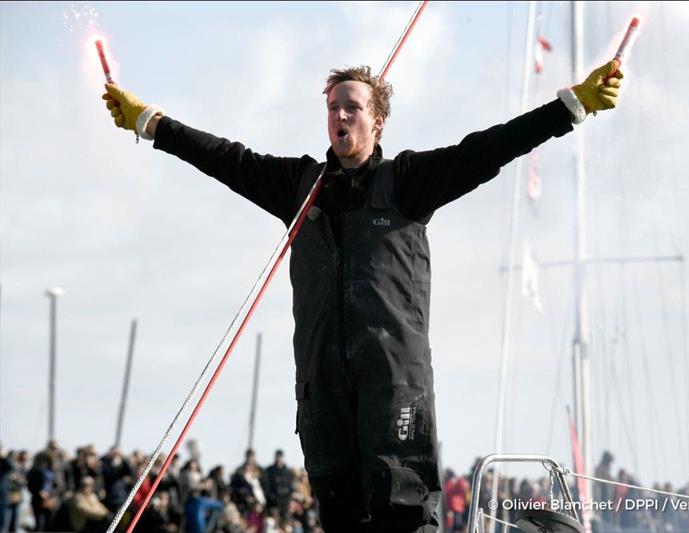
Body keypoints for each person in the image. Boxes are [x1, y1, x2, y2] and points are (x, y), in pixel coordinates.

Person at [102, 59, 623, 532]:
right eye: (333, 107)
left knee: (403, 515)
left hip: (392, 379)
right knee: (339, 516)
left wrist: (570, 107)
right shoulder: (298, 185)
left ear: (378, 121)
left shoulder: (410, 181)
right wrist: (151, 124)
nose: (341, 115)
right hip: (321, 381)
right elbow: (224, 158)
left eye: (353, 106)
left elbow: (490, 148)